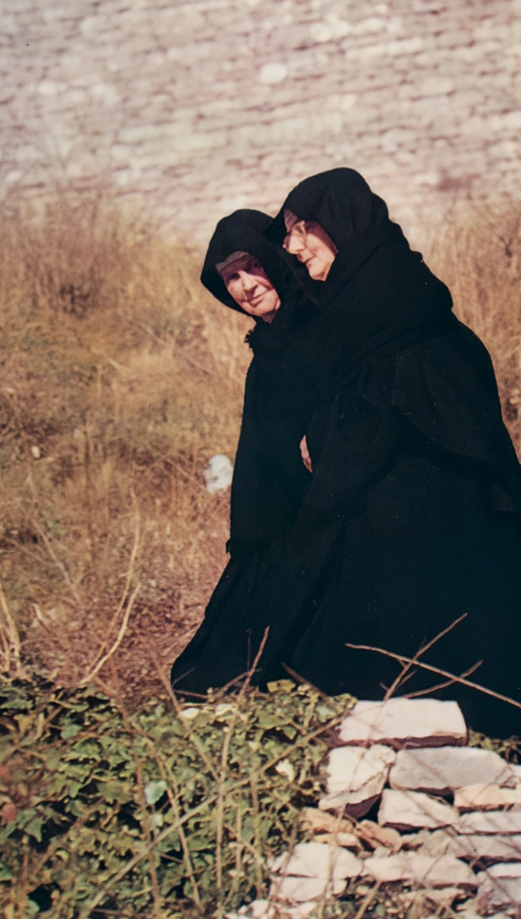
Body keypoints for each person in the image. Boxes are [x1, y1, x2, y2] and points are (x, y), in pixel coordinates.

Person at [261, 168, 521, 769]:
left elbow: (390, 403)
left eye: (302, 228)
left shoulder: (388, 297)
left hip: (433, 516)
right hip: (398, 515)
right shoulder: (355, 298)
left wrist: (328, 448)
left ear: (341, 226)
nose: (291, 247)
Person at [170, 209, 318, 696]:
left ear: (276, 259)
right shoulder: (267, 348)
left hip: (322, 524)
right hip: (271, 533)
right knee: (208, 675)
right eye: (230, 277)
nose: (245, 286)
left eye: (250, 266)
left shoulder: (322, 326)